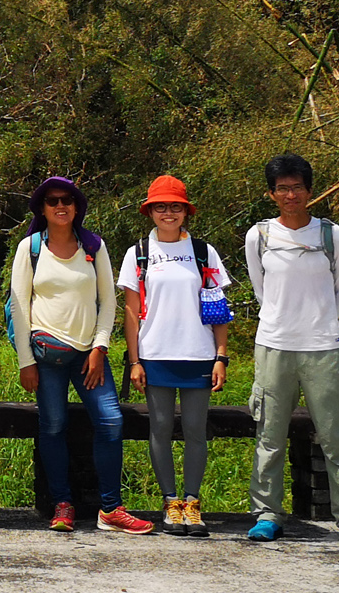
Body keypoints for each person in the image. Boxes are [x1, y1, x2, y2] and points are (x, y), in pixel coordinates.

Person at [243, 153, 339, 549]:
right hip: (274, 345)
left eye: (297, 187)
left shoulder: (332, 235)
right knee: (269, 434)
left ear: (309, 191)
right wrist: (283, 321)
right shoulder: (259, 236)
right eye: (282, 188)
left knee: (337, 435)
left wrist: (319, 322)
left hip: (323, 347)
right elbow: (262, 290)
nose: (290, 195)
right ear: (271, 193)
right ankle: (267, 514)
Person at [10, 176, 153, 534]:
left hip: (89, 354)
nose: (61, 206)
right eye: (53, 201)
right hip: (46, 357)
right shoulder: (30, 248)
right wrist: (26, 362)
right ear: (42, 208)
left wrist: (100, 346)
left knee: (110, 422)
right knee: (53, 425)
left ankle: (111, 508)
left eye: (67, 200)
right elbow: (18, 306)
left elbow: (108, 301)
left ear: (77, 207)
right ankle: (62, 504)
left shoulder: (93, 246)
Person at [117, 175, 230, 538]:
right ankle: (170, 503)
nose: (168, 213)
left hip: (198, 354)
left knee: (196, 430)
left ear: (186, 211)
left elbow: (218, 308)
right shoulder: (138, 253)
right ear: (150, 212)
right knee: (161, 428)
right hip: (155, 354)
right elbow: (131, 312)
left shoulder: (203, 252)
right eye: (161, 207)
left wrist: (221, 356)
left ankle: (192, 503)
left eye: (175, 206)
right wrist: (135, 361)